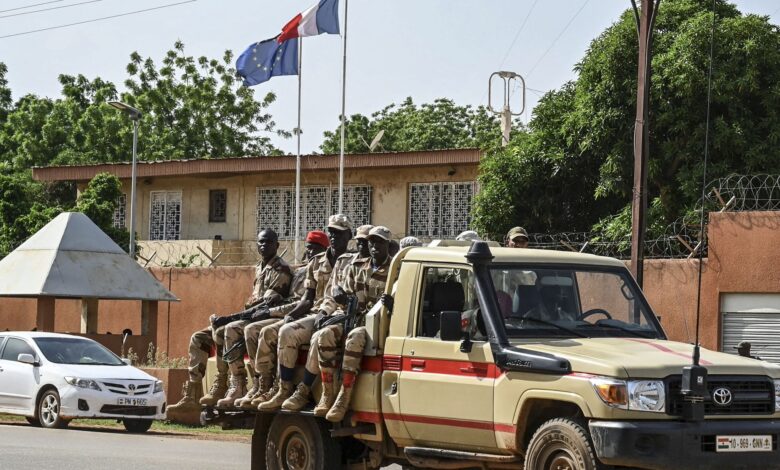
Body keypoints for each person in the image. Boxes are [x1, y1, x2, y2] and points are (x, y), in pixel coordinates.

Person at [165, 229, 291, 422]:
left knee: (226, 330)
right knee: (199, 338)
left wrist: (229, 318)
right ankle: (194, 393)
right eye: (260, 242)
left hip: (258, 318)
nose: (264, 245)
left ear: (277, 245)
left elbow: (265, 306)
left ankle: (237, 383)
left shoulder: (281, 270)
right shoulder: (260, 267)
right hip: (246, 316)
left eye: (268, 242)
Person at [255, 214, 355, 411]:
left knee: (316, 336)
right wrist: (292, 315)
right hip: (316, 312)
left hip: (339, 315)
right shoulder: (316, 262)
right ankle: (282, 388)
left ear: (348, 235)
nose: (333, 236)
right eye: (331, 232)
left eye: (339, 233)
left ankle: (303, 390)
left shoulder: (353, 261)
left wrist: (325, 314)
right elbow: (309, 298)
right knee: (283, 331)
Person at [233, 230, 329, 409]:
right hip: (292, 312)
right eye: (308, 248)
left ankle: (280, 386)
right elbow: (291, 300)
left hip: (312, 314)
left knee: (270, 331)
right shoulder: (301, 272)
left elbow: (304, 302)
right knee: (249, 329)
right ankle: (260, 384)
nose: (311, 252)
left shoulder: (329, 269)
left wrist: (274, 313)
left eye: (316, 249)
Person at [314, 226, 393, 422]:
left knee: (355, 337)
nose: (374, 246)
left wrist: (392, 304)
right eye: (371, 242)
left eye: (379, 242)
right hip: (351, 318)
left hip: (375, 325)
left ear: (387, 245)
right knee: (325, 334)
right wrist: (342, 298)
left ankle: (344, 396)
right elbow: (346, 296)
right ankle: (327, 393)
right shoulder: (356, 267)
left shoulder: (395, 271)